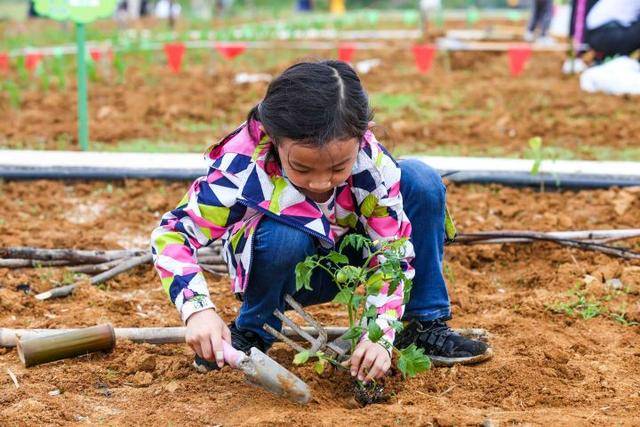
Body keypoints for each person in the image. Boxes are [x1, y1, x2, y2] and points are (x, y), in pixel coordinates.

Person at [150, 61, 491, 383]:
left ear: (363, 136)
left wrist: (379, 335)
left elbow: (392, 251)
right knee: (286, 236)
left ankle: (423, 322)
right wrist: (197, 311)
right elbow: (172, 235)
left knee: (420, 179)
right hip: (282, 263)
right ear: (273, 138)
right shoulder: (243, 165)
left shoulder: (371, 163)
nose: (320, 182)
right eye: (301, 168)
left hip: (348, 264)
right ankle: (255, 326)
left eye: (337, 167)